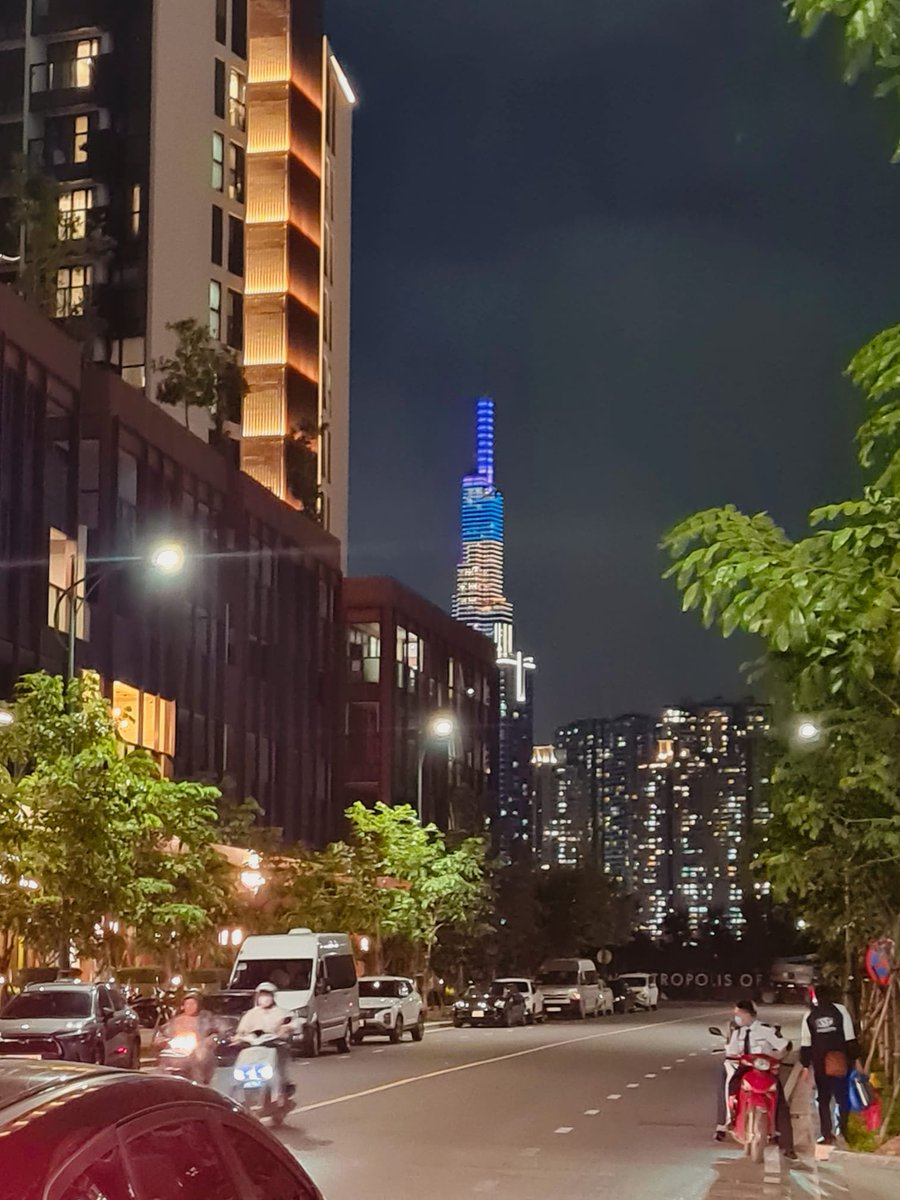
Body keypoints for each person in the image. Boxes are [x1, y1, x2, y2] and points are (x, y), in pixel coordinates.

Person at [715, 999, 797, 1160]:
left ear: (747, 1014)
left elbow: (784, 1045)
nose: (738, 1017)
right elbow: (731, 1052)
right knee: (730, 1087)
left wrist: (778, 1056)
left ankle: (787, 1145)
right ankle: (728, 1120)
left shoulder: (765, 1030)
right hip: (745, 1068)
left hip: (764, 1069)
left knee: (780, 1102)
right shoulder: (738, 1033)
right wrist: (731, 1057)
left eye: (739, 1014)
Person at [800, 984, 861, 1144]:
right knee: (842, 1097)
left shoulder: (809, 1015)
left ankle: (826, 1134)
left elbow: (806, 1043)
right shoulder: (841, 1011)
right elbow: (850, 1038)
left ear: (816, 997)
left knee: (823, 1099)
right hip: (841, 1061)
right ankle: (843, 1130)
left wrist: (806, 1066)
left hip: (820, 1063)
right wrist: (856, 1059)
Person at [234, 982, 296, 1099]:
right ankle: (237, 1097)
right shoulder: (251, 1014)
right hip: (253, 1048)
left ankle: (279, 1093)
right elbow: (241, 1030)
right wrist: (237, 1037)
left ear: (273, 997)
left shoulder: (282, 1012)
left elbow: (293, 1023)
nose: (265, 998)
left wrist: (286, 1029)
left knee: (278, 1069)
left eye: (268, 995)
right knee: (238, 1072)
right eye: (262, 995)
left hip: (274, 1047)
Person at [157, 991, 219, 1084]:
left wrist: (207, 1043)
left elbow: (214, 1033)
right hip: (175, 1052)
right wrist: (161, 1041)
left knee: (199, 1064)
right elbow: (163, 1033)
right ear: (183, 1006)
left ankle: (199, 1086)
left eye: (193, 1004)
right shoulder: (176, 1020)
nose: (190, 1006)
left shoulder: (205, 1019)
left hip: (197, 1054)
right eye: (187, 1004)